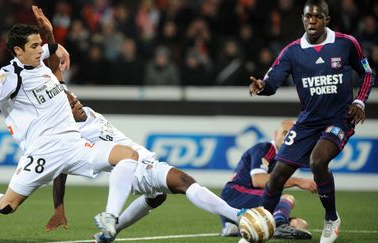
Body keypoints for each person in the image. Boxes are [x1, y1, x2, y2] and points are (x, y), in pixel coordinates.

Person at [30, 6, 248, 242]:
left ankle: (108, 233)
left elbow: (53, 68)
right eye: (72, 105)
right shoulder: (70, 131)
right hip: (136, 167)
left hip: (137, 163)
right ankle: (239, 216)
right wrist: (58, 207)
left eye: (74, 98)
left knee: (156, 197)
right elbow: (61, 172)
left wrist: (48, 33)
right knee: (185, 182)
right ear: (65, 114)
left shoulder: (73, 104)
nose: (76, 102)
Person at [0, 12, 141, 241]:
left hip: (74, 144)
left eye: (40, 45)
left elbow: (51, 50)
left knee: (128, 154)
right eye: (34, 46)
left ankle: (110, 217)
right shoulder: (12, 74)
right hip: (41, 151)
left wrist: (57, 46)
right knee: (7, 206)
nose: (39, 50)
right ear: (18, 51)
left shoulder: (38, 56)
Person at [249, 1, 375, 242]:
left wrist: (359, 101)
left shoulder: (346, 43)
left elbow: (367, 73)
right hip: (308, 121)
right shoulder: (292, 51)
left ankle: (331, 218)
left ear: (327, 19)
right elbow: (272, 82)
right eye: (308, 16)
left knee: (318, 162)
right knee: (276, 176)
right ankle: (260, 224)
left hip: (340, 117)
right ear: (303, 18)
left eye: (318, 17)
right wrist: (262, 86)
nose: (312, 21)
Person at [220, 119, 316, 240]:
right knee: (285, 198)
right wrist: (298, 181)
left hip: (249, 201)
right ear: (276, 134)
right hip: (235, 194)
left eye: (292, 134)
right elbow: (258, 180)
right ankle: (279, 226)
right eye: (285, 133)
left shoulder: (286, 159)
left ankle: (237, 228)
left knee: (300, 224)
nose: (288, 138)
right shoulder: (265, 148)